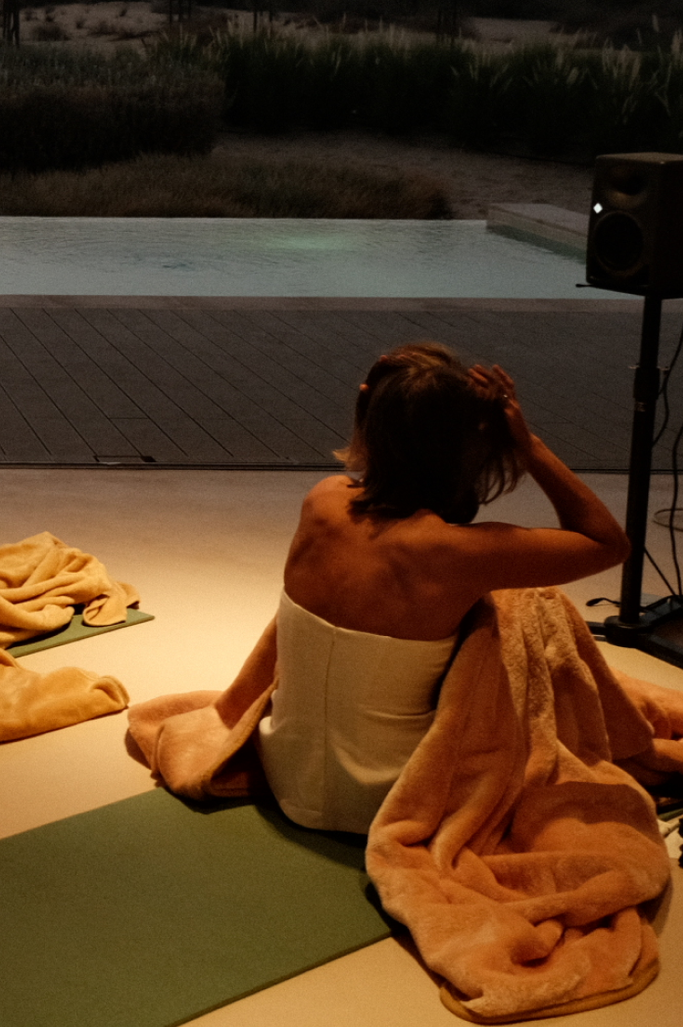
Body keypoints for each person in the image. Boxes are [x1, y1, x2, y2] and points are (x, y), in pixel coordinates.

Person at [258, 343, 630, 832]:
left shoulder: (322, 501)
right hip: (393, 797)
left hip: (284, 774)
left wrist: (373, 399)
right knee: (533, 606)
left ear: (373, 422)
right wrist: (528, 444)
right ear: (468, 448)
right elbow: (607, 542)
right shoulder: (460, 553)